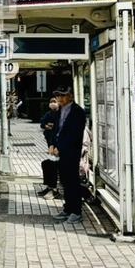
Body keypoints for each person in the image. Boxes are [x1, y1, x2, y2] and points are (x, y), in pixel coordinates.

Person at [50, 86, 87, 224]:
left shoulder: (78, 112)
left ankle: (76, 211)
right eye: (58, 95)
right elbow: (56, 129)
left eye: (63, 95)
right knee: (64, 181)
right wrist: (52, 144)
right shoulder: (59, 110)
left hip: (71, 151)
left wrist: (61, 147)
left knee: (72, 181)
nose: (60, 98)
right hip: (60, 151)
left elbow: (75, 135)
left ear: (70, 96)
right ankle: (68, 208)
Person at [37, 97, 60, 197]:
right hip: (52, 143)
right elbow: (43, 123)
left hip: (59, 147)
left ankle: (54, 189)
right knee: (46, 164)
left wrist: (55, 146)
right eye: (51, 102)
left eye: (54, 102)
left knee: (51, 165)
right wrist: (47, 126)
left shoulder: (61, 116)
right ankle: (50, 187)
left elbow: (58, 131)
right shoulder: (49, 114)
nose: (52, 104)